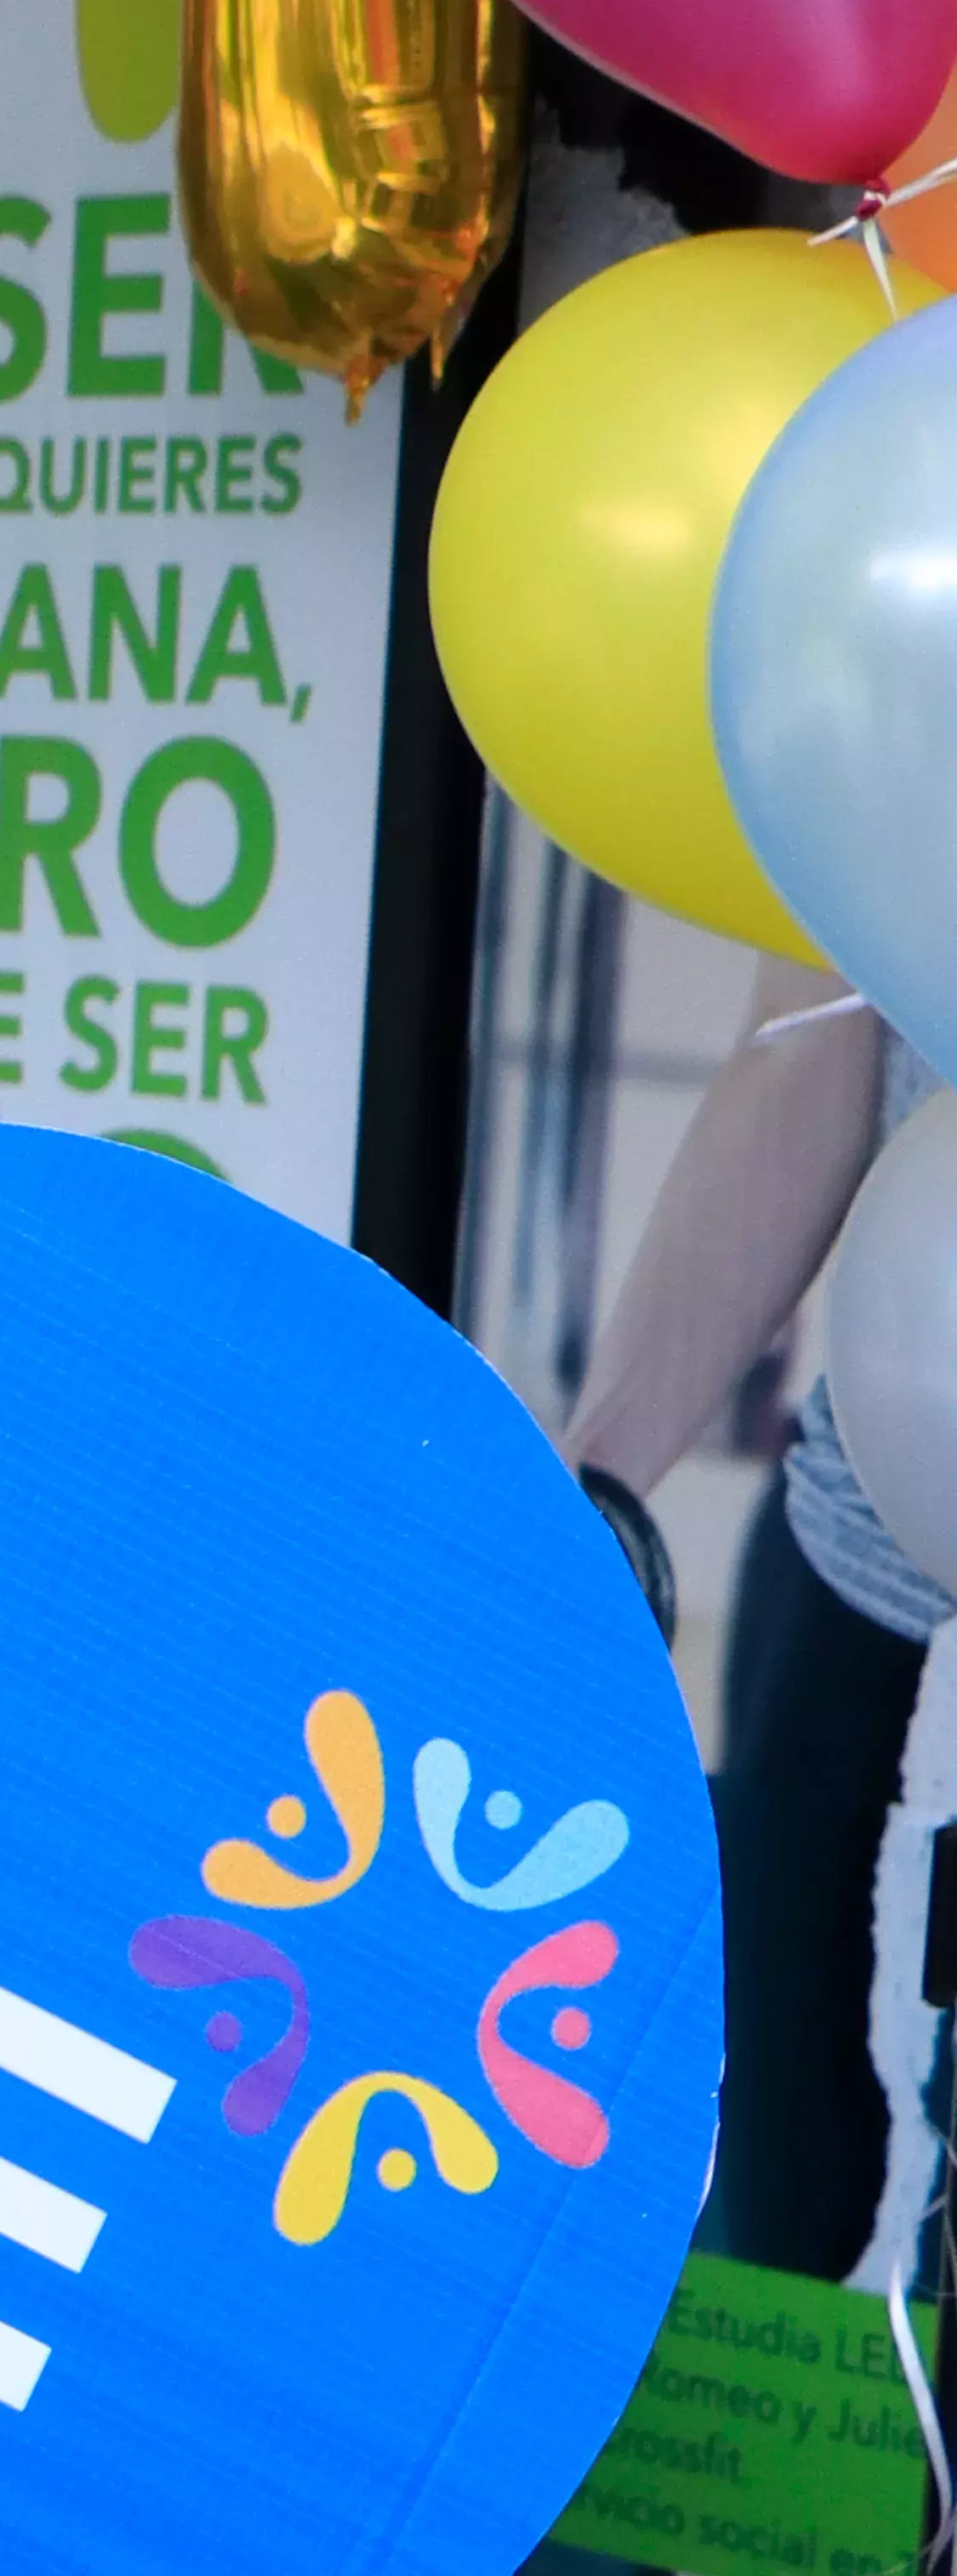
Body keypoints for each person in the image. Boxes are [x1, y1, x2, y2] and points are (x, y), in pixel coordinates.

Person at [566, 960, 940, 2275]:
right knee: (787, 2251)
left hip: (867, 1570)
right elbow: (813, 1037)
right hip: (870, 1575)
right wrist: (594, 1487)